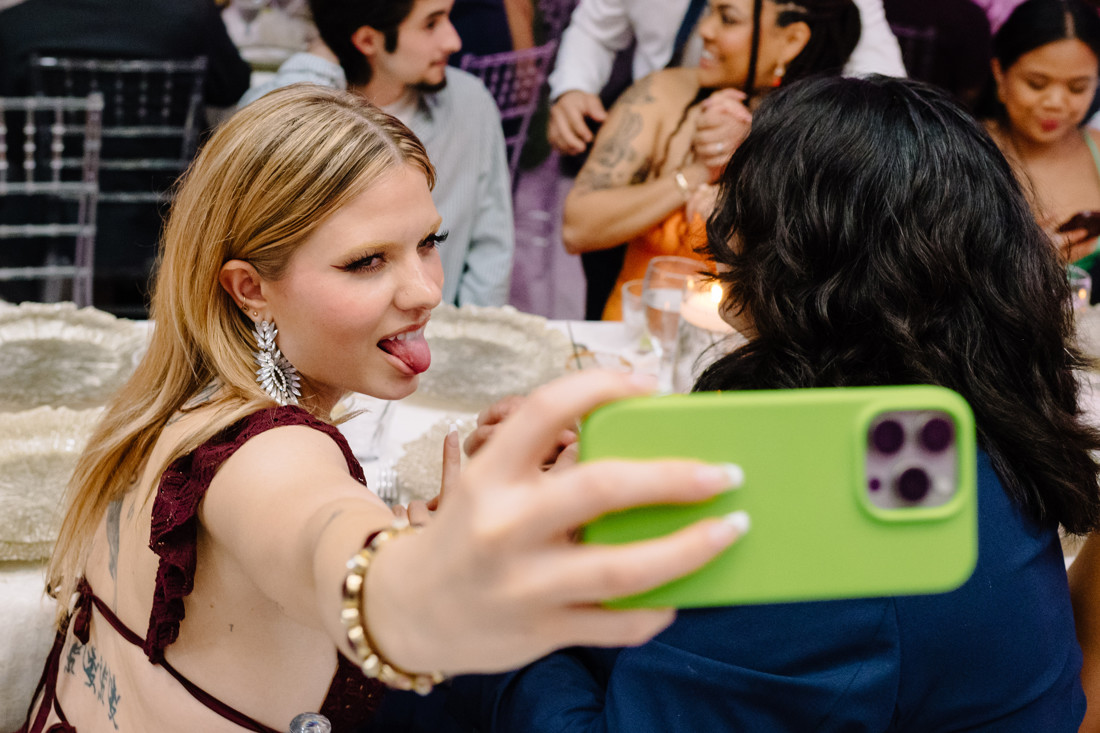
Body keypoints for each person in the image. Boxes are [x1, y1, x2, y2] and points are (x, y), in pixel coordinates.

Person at [15, 85, 747, 733]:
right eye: (366, 261)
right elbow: (323, 537)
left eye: (429, 243)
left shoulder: (180, 405)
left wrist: (426, 535)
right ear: (250, 288)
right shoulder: (271, 454)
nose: (426, 290)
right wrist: (433, 584)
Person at [458, 75, 1100, 730]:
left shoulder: (835, 528)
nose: (720, 216)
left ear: (808, 253)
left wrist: (510, 579)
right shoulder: (955, 422)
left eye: (747, 189)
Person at [563, 0, 859, 320]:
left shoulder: (828, 141)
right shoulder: (666, 92)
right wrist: (700, 171)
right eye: (709, 12)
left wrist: (753, 149)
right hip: (637, 333)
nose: (704, 30)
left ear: (791, 40)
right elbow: (577, 228)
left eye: (728, 19)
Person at [238, 0, 515, 308]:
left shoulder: (470, 102)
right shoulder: (304, 125)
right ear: (368, 40)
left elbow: (492, 248)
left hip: (439, 327)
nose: (454, 41)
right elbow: (254, 131)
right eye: (431, 24)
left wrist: (467, 333)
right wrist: (318, 60)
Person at [0, 0, 252, 316]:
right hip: (165, 202)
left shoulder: (17, 26)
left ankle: (28, 318)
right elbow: (231, 87)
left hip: (54, 211)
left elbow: (14, 131)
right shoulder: (191, 18)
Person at [545, 0, 904, 156]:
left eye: (727, 17)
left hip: (767, 142)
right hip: (650, 130)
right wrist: (573, 87)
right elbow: (594, 28)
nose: (707, 30)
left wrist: (769, 133)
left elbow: (881, 88)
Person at [980, 0, 1100, 283]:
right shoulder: (966, 150)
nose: (1055, 102)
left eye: (1077, 88)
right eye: (1036, 83)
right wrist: (1026, 262)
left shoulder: (1097, 147)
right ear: (1000, 73)